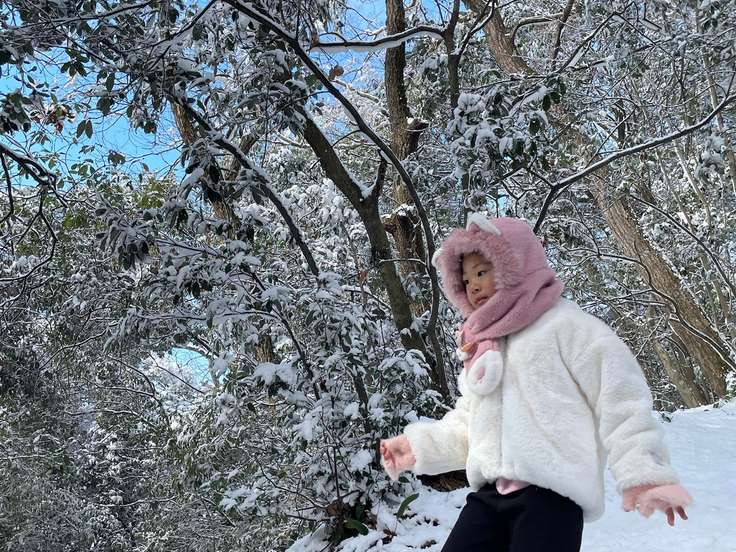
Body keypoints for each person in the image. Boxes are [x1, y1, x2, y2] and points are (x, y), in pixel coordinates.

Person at [379, 214, 692, 552]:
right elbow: (470, 426)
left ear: (516, 263)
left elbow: (620, 400)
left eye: (482, 272)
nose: (474, 286)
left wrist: (645, 473)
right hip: (489, 497)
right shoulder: (485, 348)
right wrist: (418, 446)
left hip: (551, 498)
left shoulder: (566, 326)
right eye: (466, 280)